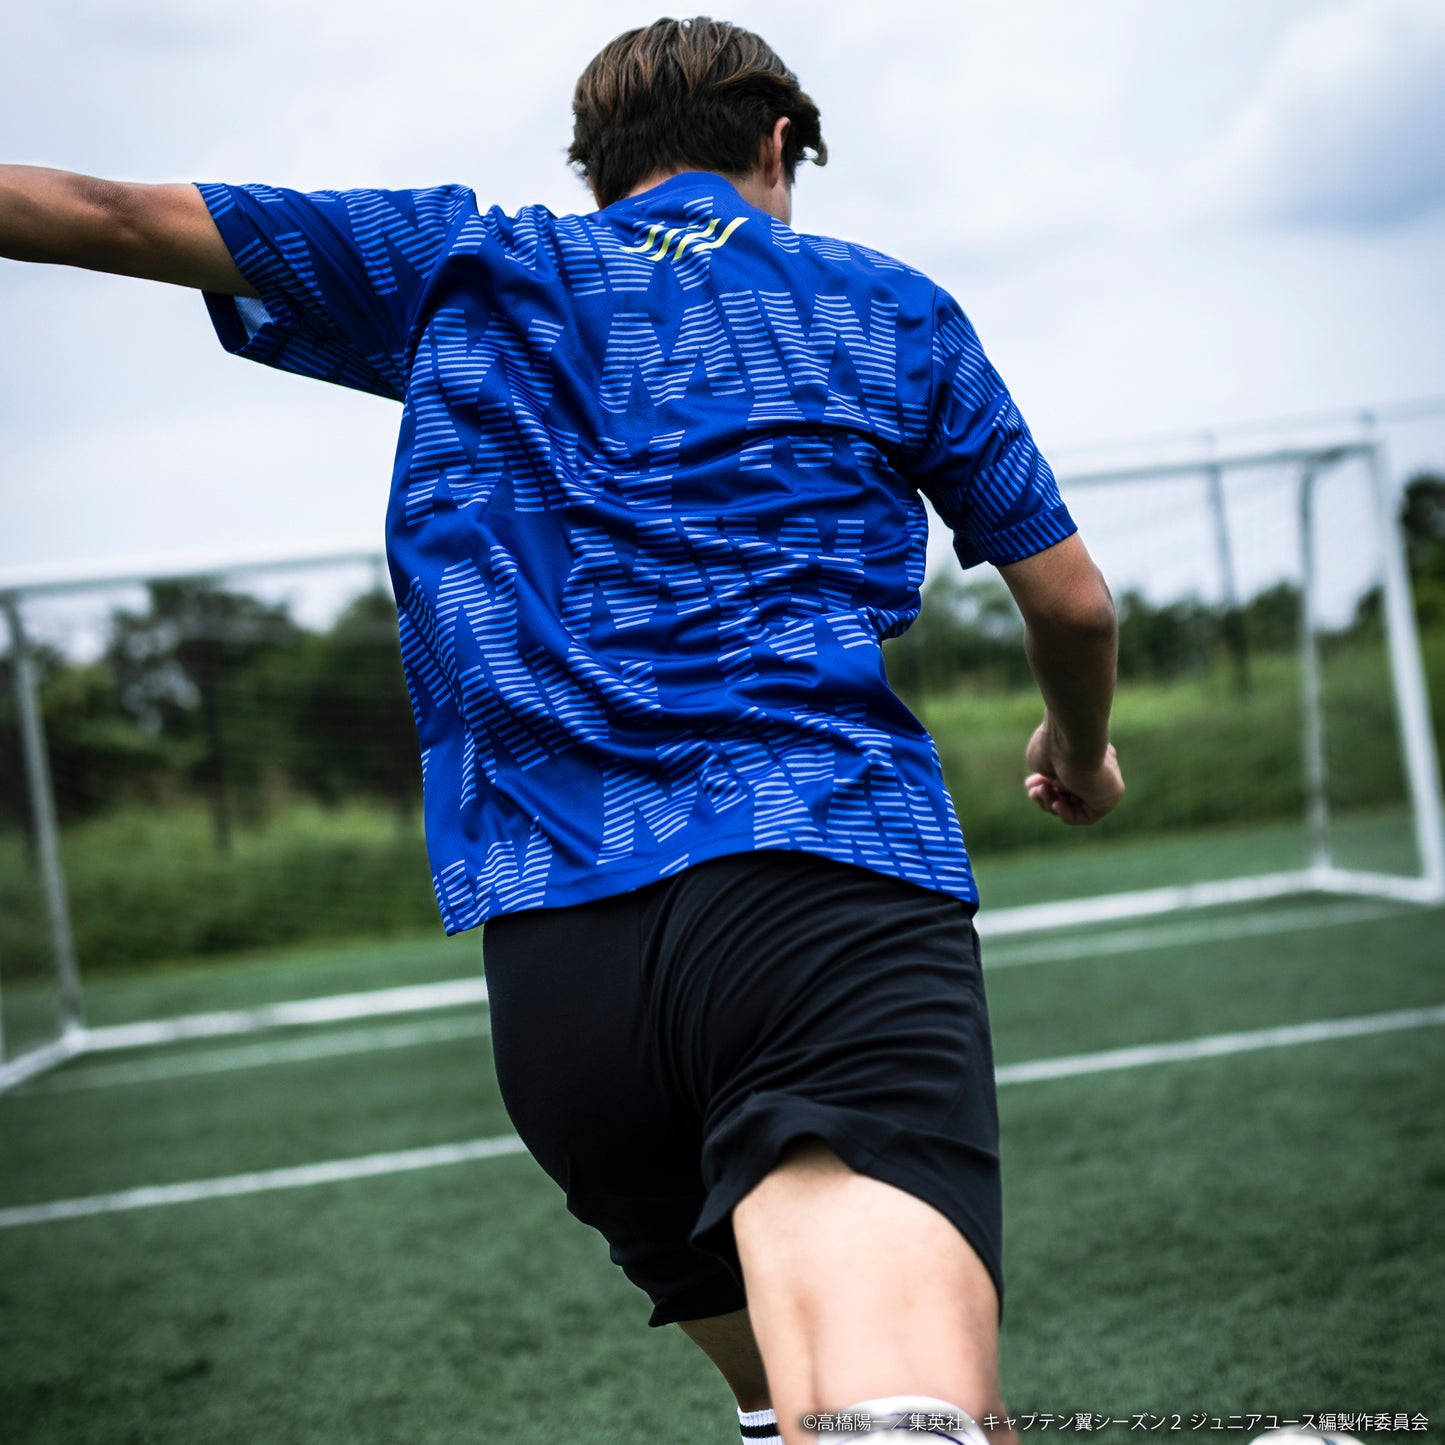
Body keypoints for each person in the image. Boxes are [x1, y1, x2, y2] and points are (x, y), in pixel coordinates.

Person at [0, 16, 1123, 1444]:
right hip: (815, 889)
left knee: (803, 1411)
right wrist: (1075, 749)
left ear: (597, 166)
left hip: (558, 979)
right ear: (779, 145)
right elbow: (1072, 604)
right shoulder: (882, 305)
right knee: (894, 1420)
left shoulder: (461, 262)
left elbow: (102, 212)